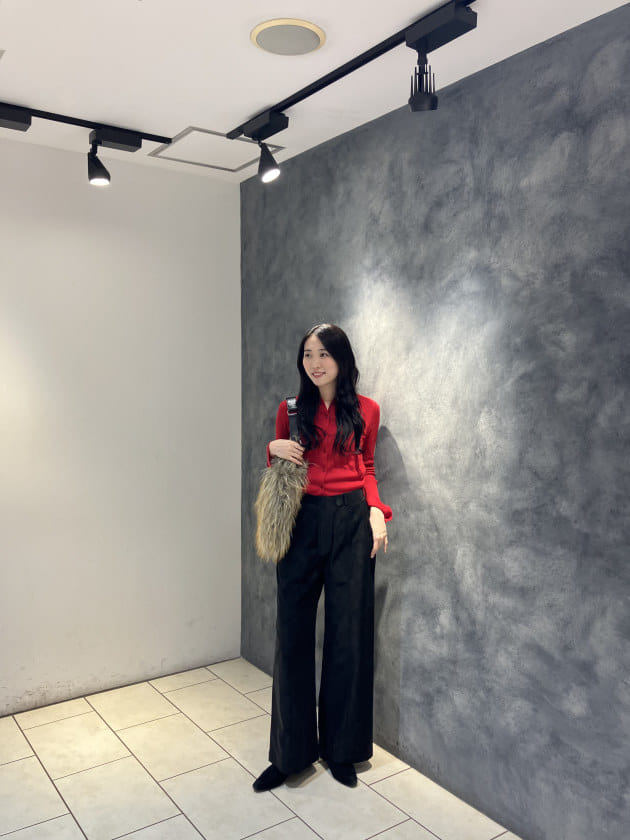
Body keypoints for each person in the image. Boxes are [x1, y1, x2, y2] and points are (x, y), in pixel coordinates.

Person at [253, 323, 392, 792]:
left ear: (341, 358)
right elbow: (282, 467)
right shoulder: (291, 410)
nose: (315, 363)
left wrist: (376, 510)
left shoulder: (367, 410)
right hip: (301, 521)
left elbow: (367, 466)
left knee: (348, 634)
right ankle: (288, 755)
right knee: (292, 634)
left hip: (352, 521)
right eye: (308, 354)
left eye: (324, 354)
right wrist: (271, 449)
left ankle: (342, 750)